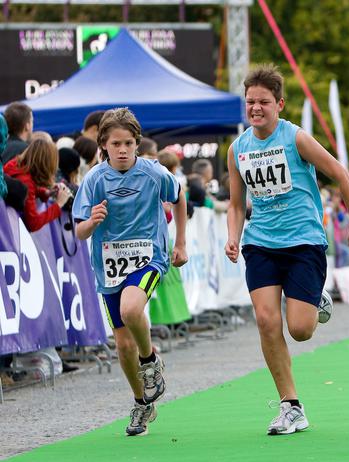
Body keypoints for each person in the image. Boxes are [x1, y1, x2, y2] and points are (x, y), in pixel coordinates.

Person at [225, 64, 349, 436]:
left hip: (303, 240)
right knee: (266, 321)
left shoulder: (296, 138)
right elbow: (237, 204)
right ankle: (290, 405)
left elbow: (340, 173)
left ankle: (312, 298)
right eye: (250, 102)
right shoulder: (238, 148)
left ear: (280, 104)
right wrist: (233, 235)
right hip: (260, 244)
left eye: (263, 102)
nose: (255, 108)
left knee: (301, 330)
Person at [72, 107, 188, 437]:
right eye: (115, 144)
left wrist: (180, 243)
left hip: (148, 256)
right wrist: (91, 222)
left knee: (131, 308)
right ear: (103, 146)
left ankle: (150, 361)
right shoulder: (94, 179)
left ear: (137, 143)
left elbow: (178, 197)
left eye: (128, 144)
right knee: (123, 346)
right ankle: (142, 402)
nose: (122, 150)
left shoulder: (153, 172)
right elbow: (78, 231)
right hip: (109, 266)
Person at [3, 138, 72, 231]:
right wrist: (59, 205)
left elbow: (28, 190)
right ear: (48, 163)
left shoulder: (17, 165)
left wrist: (46, 192)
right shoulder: (25, 181)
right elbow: (33, 223)